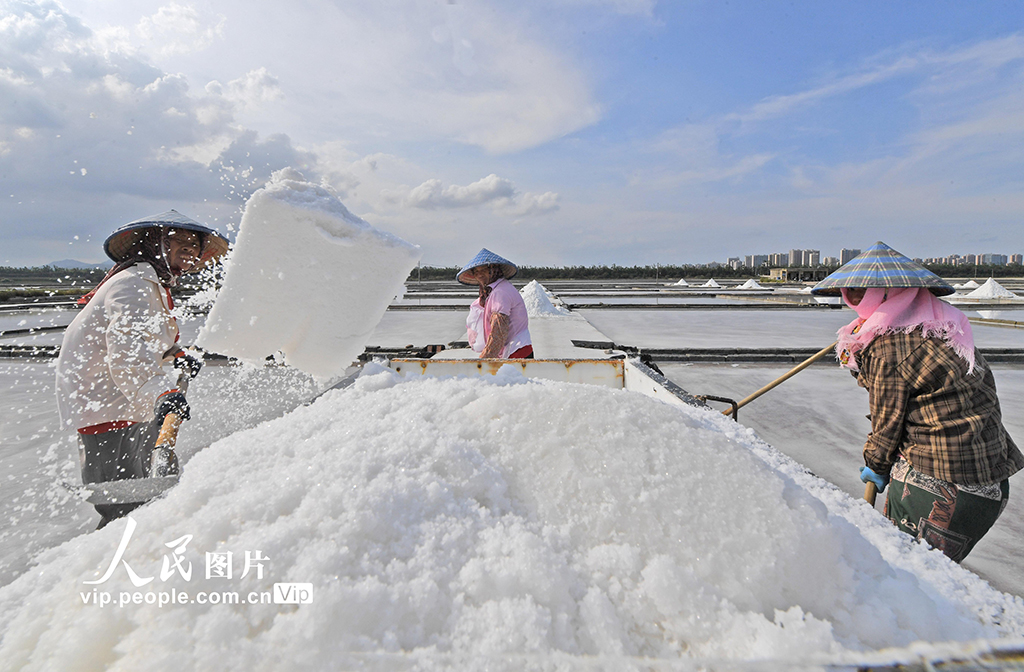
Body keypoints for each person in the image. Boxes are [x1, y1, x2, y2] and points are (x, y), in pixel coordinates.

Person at [812, 242, 1023, 562]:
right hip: (990, 483)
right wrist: (861, 347)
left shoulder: (889, 345)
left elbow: (887, 420)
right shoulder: (943, 327)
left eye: (860, 293)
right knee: (926, 583)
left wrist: (875, 465)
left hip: (940, 486)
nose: (853, 301)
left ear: (885, 295)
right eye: (849, 293)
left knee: (902, 577)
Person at [56, 210, 228, 528]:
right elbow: (127, 355)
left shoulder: (150, 285)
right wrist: (162, 394)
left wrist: (177, 354)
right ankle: (107, 565)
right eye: (181, 241)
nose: (191, 249)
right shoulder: (132, 285)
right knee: (122, 503)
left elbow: (148, 342)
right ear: (155, 243)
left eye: (196, 243)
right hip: (108, 410)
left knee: (145, 495)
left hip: (130, 401)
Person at [456, 248, 533, 359]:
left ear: (494, 270)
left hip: (516, 352)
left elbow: (499, 331)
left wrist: (486, 358)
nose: (480, 275)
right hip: (514, 350)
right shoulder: (495, 290)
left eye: (483, 270)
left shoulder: (500, 292)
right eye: (476, 272)